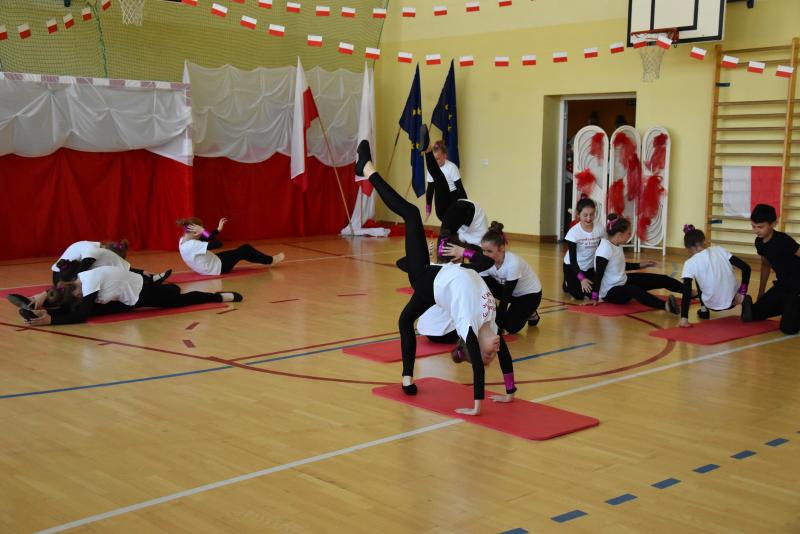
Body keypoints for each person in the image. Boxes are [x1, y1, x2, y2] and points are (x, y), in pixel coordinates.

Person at [355, 139, 516, 416]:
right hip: (439, 277)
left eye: (488, 352)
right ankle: (407, 378)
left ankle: (367, 169)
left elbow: (478, 368)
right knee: (405, 320)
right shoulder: (491, 322)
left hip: (425, 280)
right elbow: (505, 356)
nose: (496, 348)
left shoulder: (469, 322)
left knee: (411, 213)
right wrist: (510, 391)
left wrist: (477, 407)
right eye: (494, 353)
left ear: (475, 347)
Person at [16, 266, 242, 326]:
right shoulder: (76, 281)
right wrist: (44, 299)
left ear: (75, 291)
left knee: (178, 300)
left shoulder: (89, 282)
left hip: (142, 292)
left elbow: (82, 315)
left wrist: (51, 321)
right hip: (124, 297)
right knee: (85, 309)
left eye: (78, 296)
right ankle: (41, 311)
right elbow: (69, 297)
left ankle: (219, 296)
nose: (80, 296)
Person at [590, 214, 682, 312]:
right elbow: (598, 274)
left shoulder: (617, 245)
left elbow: (618, 266)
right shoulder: (605, 249)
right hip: (610, 293)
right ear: (619, 235)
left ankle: (689, 292)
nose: (630, 236)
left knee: (661, 279)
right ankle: (666, 306)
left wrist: (640, 265)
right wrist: (594, 297)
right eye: (628, 233)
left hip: (622, 282)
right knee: (634, 290)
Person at [741, 204, 800, 334]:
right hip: (782, 285)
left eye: (760, 227)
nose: (756, 230)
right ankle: (789, 307)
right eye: (753, 226)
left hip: (797, 287)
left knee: (788, 328)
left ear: (773, 224)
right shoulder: (759, 242)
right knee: (754, 313)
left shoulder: (784, 240)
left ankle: (792, 308)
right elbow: (765, 265)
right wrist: (761, 292)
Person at [678, 224, 751, 328]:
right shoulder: (719, 249)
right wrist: (742, 292)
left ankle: (704, 310)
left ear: (687, 247)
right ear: (704, 241)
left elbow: (686, 292)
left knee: (698, 277)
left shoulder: (690, 263)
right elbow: (746, 268)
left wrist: (684, 318)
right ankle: (745, 302)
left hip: (711, 305)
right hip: (734, 301)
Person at [479, 222, 543, 332]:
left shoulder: (513, 263)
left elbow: (505, 298)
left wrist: (498, 326)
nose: (485, 254)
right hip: (511, 293)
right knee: (486, 286)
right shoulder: (484, 262)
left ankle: (531, 311)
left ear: (502, 248)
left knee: (510, 327)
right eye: (483, 250)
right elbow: (488, 291)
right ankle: (520, 309)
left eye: (489, 251)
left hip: (529, 294)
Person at [178, 217, 285, 276]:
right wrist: (203, 231)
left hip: (209, 264)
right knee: (245, 249)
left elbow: (205, 240)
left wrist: (217, 230)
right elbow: (218, 244)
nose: (203, 234)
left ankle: (268, 260)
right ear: (195, 232)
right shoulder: (193, 245)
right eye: (201, 232)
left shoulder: (183, 240)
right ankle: (270, 261)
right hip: (217, 268)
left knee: (239, 252)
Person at [563, 197, 604, 300]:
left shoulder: (600, 228)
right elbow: (573, 261)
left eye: (592, 214)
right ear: (578, 215)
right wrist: (582, 279)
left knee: (594, 293)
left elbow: (602, 251)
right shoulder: (573, 233)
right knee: (579, 296)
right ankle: (567, 283)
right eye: (585, 215)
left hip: (589, 267)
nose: (589, 218)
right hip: (572, 267)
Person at [422, 135, 467, 221]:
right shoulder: (431, 169)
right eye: (434, 159)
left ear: (445, 156)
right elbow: (430, 189)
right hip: (440, 198)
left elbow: (460, 188)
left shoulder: (452, 167)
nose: (436, 162)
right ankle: (427, 150)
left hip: (452, 197)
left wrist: (466, 206)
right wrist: (428, 209)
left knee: (453, 221)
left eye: (438, 159)